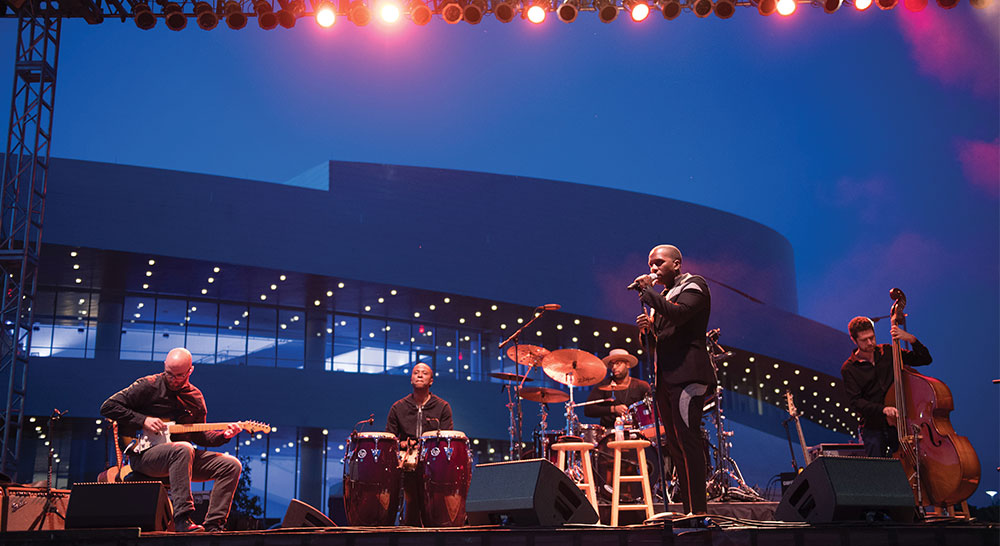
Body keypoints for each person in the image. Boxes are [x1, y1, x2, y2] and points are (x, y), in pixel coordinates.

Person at [100, 348, 243, 533]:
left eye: (179, 375)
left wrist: (224, 436)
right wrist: (143, 420)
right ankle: (182, 519)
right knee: (183, 449)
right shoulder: (148, 385)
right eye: (169, 373)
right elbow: (108, 407)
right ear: (164, 367)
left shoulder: (195, 398)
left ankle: (214, 525)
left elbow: (200, 437)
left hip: (182, 459)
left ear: (190, 371)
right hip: (145, 457)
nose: (173, 379)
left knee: (232, 465)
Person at [634, 244, 713, 516]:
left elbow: (680, 314)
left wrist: (649, 293)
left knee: (688, 439)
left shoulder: (695, 285)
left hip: (688, 374)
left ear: (676, 264)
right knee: (675, 444)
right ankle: (689, 511)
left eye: (658, 263)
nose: (653, 269)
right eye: (650, 264)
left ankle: (700, 513)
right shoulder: (664, 297)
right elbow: (661, 341)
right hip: (666, 378)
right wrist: (647, 332)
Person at [841, 316, 932, 458]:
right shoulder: (849, 368)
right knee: (880, 473)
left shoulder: (888, 352)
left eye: (872, 337)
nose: (870, 343)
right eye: (864, 340)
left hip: (899, 425)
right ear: (854, 340)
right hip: (873, 428)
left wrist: (911, 340)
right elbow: (856, 402)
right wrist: (883, 409)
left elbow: (925, 359)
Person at [385, 363, 453, 526]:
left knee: (434, 505)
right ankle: (410, 530)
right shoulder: (398, 407)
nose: (420, 375)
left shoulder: (442, 407)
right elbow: (390, 439)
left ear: (431, 381)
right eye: (416, 372)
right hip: (408, 463)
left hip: (434, 464)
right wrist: (401, 444)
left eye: (424, 373)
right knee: (412, 501)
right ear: (411, 379)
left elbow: (446, 438)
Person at [584, 348, 651, 428]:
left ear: (627, 364)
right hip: (610, 432)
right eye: (612, 364)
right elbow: (588, 410)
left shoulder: (641, 386)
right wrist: (613, 409)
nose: (614, 367)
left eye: (618, 363)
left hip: (636, 430)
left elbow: (652, 409)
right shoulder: (603, 385)